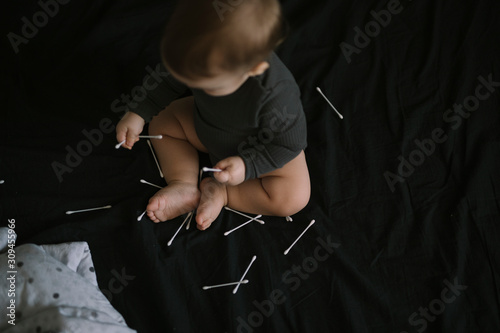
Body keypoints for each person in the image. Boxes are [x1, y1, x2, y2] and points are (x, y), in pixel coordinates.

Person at [116, 0, 310, 230]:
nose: (190, 82)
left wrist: (248, 166)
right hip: (205, 128)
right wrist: (139, 111)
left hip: (261, 149)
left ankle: (224, 192)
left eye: (205, 85)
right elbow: (167, 82)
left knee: (292, 197)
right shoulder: (193, 53)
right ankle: (183, 183)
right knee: (162, 122)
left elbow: (289, 143)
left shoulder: (276, 94)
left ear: (253, 68)